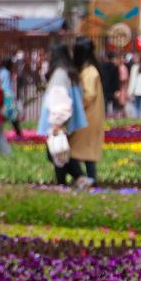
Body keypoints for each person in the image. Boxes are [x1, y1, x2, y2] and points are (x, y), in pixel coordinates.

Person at [39, 42, 87, 186]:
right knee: (58, 152)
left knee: (57, 152)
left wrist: (57, 123)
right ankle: (66, 182)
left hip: (58, 121)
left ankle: (76, 178)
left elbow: (60, 100)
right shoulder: (68, 72)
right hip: (66, 121)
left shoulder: (59, 74)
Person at [70, 39, 107, 182]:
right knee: (87, 153)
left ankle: (86, 179)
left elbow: (88, 94)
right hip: (89, 118)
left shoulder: (89, 71)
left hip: (87, 118)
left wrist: (74, 108)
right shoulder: (89, 69)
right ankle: (89, 180)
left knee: (77, 152)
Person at [0, 57, 23, 138]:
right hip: (8, 95)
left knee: (4, 114)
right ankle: (18, 132)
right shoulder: (6, 72)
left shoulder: (1, 72)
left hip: (3, 94)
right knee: (12, 114)